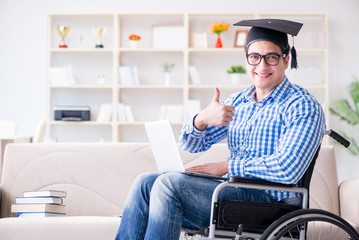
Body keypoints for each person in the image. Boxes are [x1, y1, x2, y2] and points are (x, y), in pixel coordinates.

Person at [115, 19, 326, 240]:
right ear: (246, 59)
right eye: (254, 57)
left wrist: (226, 166)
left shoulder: (302, 105)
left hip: (269, 205)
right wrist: (202, 120)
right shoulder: (239, 102)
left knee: (169, 185)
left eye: (271, 58)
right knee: (145, 183)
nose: (262, 66)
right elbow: (191, 144)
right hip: (231, 194)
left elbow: (287, 168)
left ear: (286, 60)